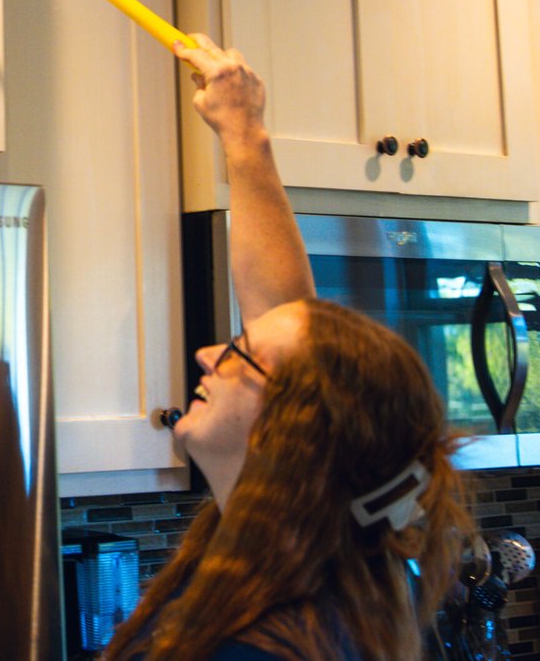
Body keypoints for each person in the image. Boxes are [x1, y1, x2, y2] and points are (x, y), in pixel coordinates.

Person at [100, 35, 473, 661]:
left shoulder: (269, 642)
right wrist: (243, 132)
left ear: (290, 429)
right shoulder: (315, 571)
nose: (205, 354)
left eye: (238, 352)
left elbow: (291, 342)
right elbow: (291, 330)